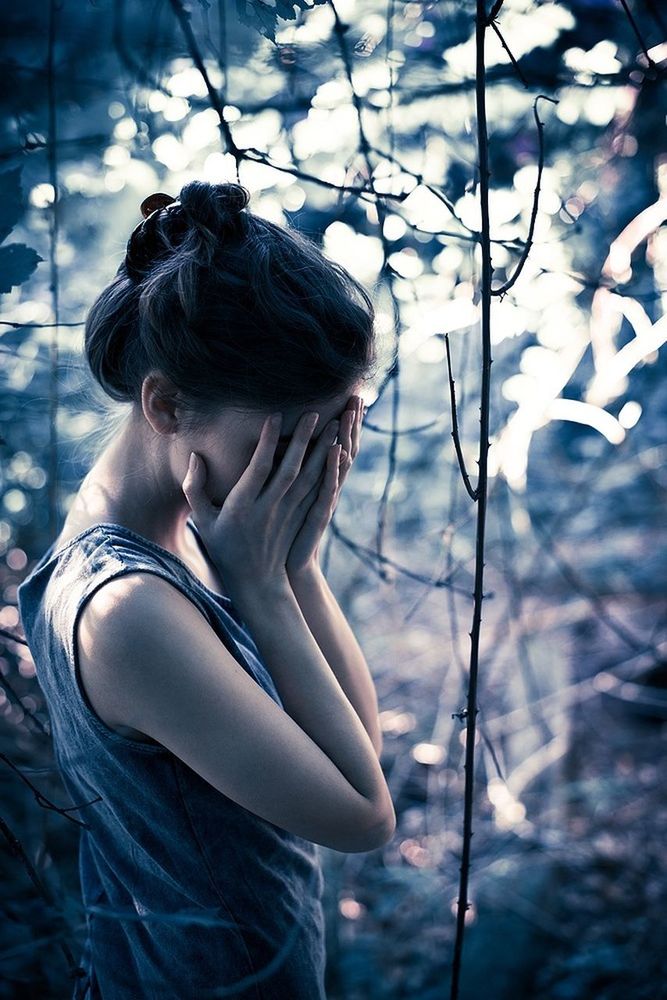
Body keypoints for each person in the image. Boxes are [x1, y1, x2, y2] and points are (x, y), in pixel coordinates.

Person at [17, 180, 396, 1000]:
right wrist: (262, 584)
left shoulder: (193, 541)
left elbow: (352, 755)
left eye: (331, 432)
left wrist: (292, 569)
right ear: (166, 405)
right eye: (286, 439)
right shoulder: (126, 610)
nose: (313, 465)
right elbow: (362, 816)